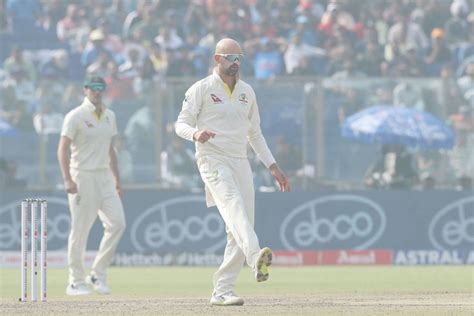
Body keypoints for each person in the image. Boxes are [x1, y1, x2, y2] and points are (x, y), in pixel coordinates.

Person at [175, 38, 291, 306]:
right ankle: (255, 258)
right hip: (212, 158)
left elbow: (256, 134)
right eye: (230, 57)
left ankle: (223, 290)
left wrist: (272, 166)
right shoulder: (201, 89)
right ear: (217, 59)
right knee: (235, 209)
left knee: (239, 227)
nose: (235, 63)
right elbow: (180, 124)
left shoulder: (247, 92)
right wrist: (195, 133)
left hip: (240, 160)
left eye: (239, 58)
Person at [57, 76, 126, 296]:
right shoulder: (75, 116)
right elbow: (62, 149)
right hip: (82, 176)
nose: (97, 92)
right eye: (93, 88)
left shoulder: (109, 115)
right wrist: (67, 179)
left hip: (105, 177)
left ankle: (97, 274)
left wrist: (117, 180)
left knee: (117, 224)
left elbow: (111, 150)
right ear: (85, 90)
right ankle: (75, 281)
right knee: (80, 230)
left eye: (101, 88)